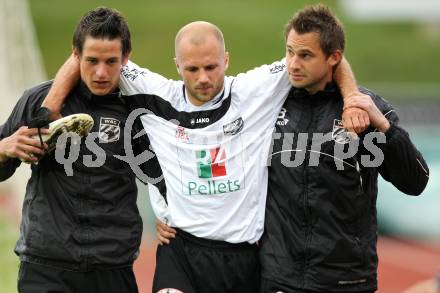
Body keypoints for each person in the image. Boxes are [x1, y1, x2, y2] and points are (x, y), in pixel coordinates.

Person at [41, 19, 370, 292]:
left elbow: (325, 55)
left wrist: (352, 97)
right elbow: (87, 52)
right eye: (192, 68)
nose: (203, 78)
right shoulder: (153, 92)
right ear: (177, 66)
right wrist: (50, 107)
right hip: (181, 252)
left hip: (244, 258)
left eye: (211, 67)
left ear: (226, 59)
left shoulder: (256, 90)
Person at [258, 5, 430, 293]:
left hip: (346, 280)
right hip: (279, 279)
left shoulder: (365, 112)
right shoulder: (269, 103)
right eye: (289, 52)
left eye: (305, 55)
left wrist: (386, 129)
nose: (293, 64)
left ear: (334, 58)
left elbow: (415, 182)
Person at [0, 7, 142, 293]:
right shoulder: (37, 100)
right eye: (91, 60)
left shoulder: (139, 110)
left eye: (111, 61)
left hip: (112, 265)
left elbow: (164, 174)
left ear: (126, 58)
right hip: (46, 265)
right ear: (75, 55)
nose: (101, 72)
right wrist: (3, 149)